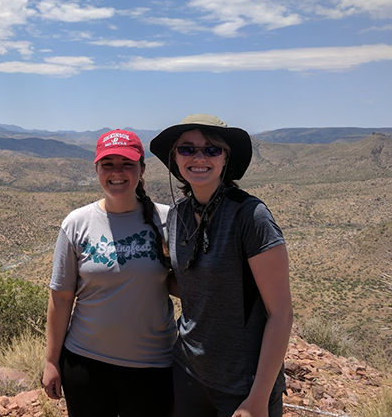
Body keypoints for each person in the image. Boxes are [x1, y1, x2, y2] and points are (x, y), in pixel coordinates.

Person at [149, 114, 293, 417]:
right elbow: (191, 287)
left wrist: (257, 399)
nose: (199, 158)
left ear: (225, 159)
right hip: (188, 371)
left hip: (242, 385)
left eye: (211, 149)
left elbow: (281, 313)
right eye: (187, 149)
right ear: (175, 157)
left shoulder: (250, 217)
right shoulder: (177, 216)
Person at [43, 129, 177, 417]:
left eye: (127, 164)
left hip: (153, 365)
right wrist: (52, 362)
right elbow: (61, 297)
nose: (117, 173)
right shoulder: (77, 223)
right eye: (108, 164)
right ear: (97, 169)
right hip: (85, 364)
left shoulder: (168, 220)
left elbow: (186, 285)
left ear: (142, 169)